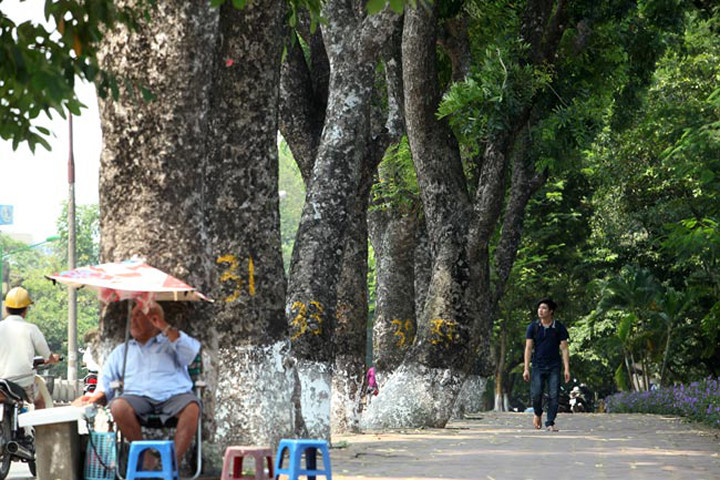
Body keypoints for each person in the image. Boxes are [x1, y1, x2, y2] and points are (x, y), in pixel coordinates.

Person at [79, 301, 201, 465]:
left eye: (139, 315)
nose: (133, 320)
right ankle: (145, 456)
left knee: (192, 407)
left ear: (154, 319)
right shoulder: (123, 351)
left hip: (174, 396)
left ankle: (173, 465)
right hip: (137, 399)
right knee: (118, 406)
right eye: (132, 316)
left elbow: (191, 352)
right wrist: (93, 398)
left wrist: (164, 327)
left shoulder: (172, 343)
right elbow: (105, 383)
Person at [0, 286, 60, 409]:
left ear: (6, 308)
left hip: (1, 382)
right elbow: (46, 355)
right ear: (25, 310)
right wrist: (52, 358)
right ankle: (39, 428)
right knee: (40, 403)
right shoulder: (31, 329)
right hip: (23, 382)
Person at [522, 298, 570, 432]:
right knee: (536, 394)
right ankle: (538, 413)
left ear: (551, 311)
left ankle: (550, 422)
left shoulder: (558, 327)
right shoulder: (533, 327)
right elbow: (528, 348)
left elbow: (564, 348)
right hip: (538, 365)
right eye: (539, 308)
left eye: (544, 308)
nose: (540, 311)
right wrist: (526, 368)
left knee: (554, 395)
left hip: (554, 366)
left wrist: (567, 368)